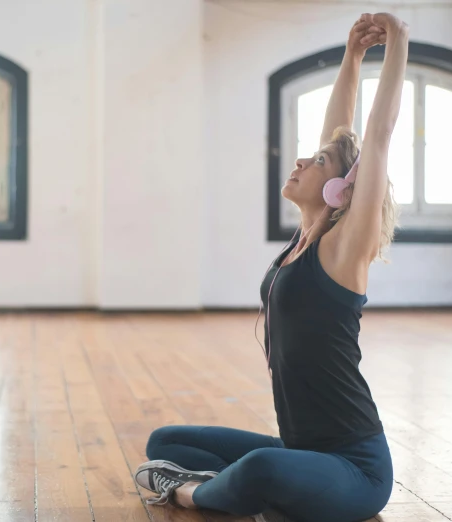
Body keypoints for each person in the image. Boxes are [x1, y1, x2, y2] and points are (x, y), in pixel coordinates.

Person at [132, 12, 407, 522]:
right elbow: (341, 132)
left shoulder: (345, 249)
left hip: (356, 469)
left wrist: (399, 42)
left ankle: (187, 492)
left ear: (342, 188)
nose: (301, 162)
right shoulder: (305, 240)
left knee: (260, 467)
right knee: (165, 440)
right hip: (299, 447)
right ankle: (240, 488)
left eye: (317, 162)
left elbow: (377, 135)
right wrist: (351, 57)